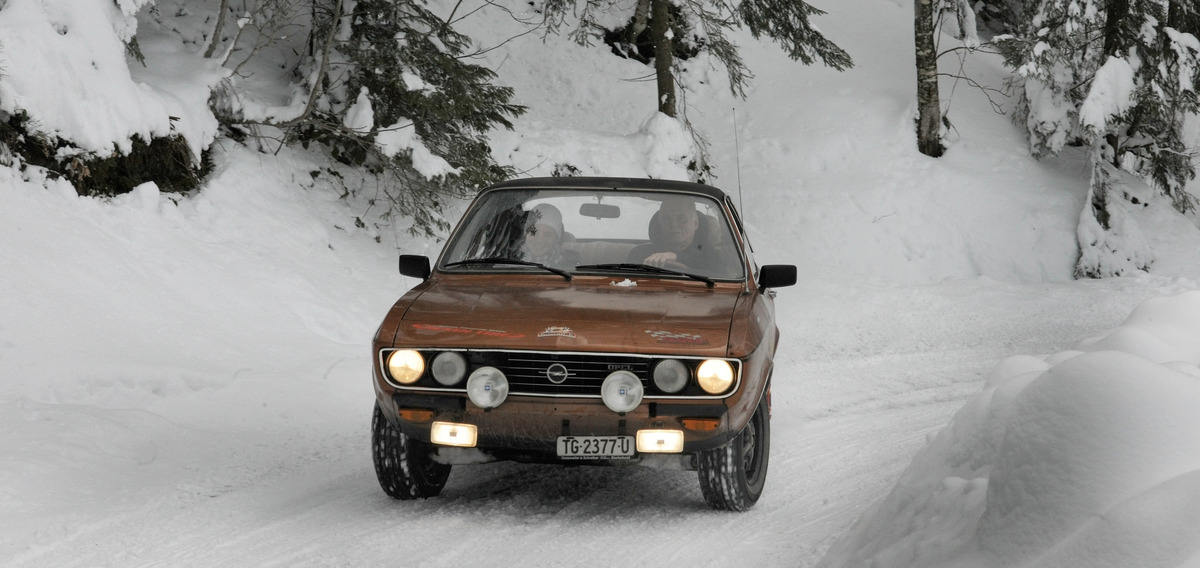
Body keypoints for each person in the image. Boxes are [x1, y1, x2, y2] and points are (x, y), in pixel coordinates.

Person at [627, 196, 718, 271]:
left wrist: (677, 257)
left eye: (681, 218)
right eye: (666, 219)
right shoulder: (640, 254)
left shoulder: (712, 257)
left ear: (695, 223)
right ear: (660, 224)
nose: (673, 225)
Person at [521, 203, 580, 269]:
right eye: (533, 232)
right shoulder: (511, 258)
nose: (539, 240)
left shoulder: (570, 263)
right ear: (525, 234)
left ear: (557, 239)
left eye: (548, 235)